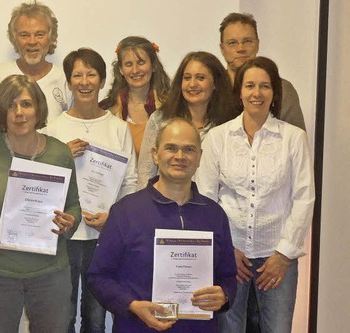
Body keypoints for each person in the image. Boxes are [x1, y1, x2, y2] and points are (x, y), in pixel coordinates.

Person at [195, 57, 315, 333]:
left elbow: (304, 198)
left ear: (275, 94)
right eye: (249, 85)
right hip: (230, 255)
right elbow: (206, 198)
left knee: (277, 329)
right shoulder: (218, 137)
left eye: (265, 86)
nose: (256, 93)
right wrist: (225, 250)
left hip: (277, 256)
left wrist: (284, 255)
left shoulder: (293, 138)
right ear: (239, 92)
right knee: (228, 329)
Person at [87, 117, 237, 332]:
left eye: (189, 149)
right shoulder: (126, 211)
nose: (179, 156)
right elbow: (98, 276)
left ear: (199, 157)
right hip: (136, 328)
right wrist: (132, 306)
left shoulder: (215, 215)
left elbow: (228, 275)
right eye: (171, 148)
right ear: (155, 154)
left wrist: (224, 295)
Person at [0, 74, 81, 332]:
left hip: (50, 274)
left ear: (38, 108)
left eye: (26, 104)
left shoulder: (60, 153)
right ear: (1, 111)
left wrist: (70, 221)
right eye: (10, 105)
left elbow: (73, 206)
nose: (19, 113)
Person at [43, 47, 137, 333]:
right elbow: (43, 184)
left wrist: (114, 218)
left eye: (91, 74)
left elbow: (130, 182)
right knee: (64, 313)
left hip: (103, 235)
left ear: (102, 80)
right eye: (78, 75)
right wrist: (60, 158)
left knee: (96, 319)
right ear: (69, 82)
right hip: (64, 235)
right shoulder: (52, 129)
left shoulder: (119, 128)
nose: (84, 82)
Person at [136, 51, 238, 190]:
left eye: (200, 78)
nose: (192, 84)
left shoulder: (230, 125)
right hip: (165, 205)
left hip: (213, 206)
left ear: (215, 83)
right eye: (187, 78)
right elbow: (145, 176)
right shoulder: (160, 119)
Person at [0, 1, 70, 122]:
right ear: (14, 38)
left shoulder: (66, 80)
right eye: (24, 35)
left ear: (51, 38)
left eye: (39, 34)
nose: (32, 41)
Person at [218, 13, 306, 131]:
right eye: (232, 43)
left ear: (257, 44)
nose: (240, 49)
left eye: (247, 41)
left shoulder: (283, 89)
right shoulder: (213, 88)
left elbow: (296, 139)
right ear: (222, 49)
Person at [99, 36, 171, 161]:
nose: (135, 70)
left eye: (141, 62)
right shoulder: (106, 110)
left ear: (153, 66)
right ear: (121, 70)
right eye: (128, 64)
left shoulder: (170, 109)